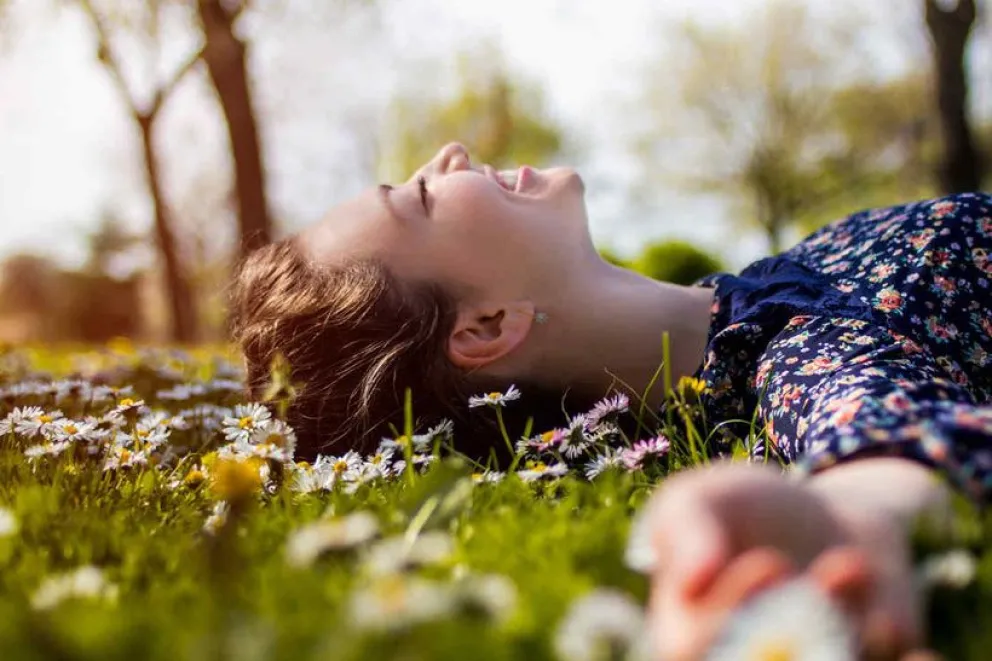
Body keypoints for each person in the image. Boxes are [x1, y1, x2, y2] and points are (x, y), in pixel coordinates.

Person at [230, 142, 991, 658]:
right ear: (488, 325)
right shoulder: (792, 359)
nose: (453, 154)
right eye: (423, 194)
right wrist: (844, 524)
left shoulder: (765, 288)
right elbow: (877, 435)